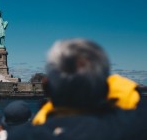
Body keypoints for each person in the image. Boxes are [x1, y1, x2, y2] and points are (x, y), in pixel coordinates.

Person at [8, 39, 147, 140]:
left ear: (47, 87)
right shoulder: (132, 128)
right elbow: (136, 104)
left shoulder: (23, 135)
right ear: (105, 88)